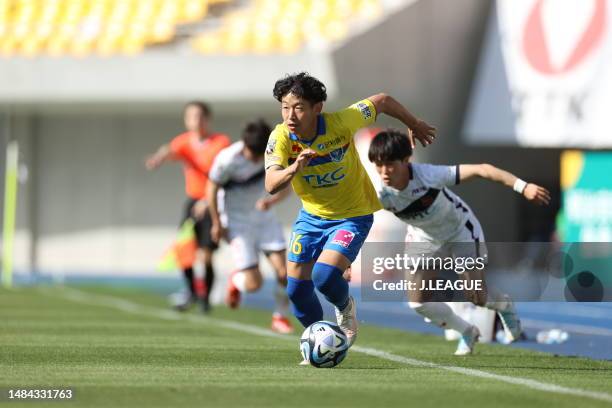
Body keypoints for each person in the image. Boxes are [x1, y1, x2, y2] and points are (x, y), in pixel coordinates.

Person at [264, 72, 436, 355]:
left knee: (323, 276)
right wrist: (294, 168)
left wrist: (414, 124)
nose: (290, 115)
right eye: (285, 106)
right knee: (296, 291)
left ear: (317, 108)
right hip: (311, 217)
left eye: (298, 107)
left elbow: (382, 100)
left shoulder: (342, 122)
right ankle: (319, 345)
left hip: (352, 215)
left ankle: (345, 308)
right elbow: (271, 184)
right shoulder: (280, 137)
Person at [367, 129, 551, 355]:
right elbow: (349, 216)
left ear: (406, 160)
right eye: (378, 164)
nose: (384, 172)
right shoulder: (376, 192)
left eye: (390, 164)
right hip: (424, 239)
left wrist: (523, 186)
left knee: (478, 298)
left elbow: (483, 169)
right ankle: (466, 331)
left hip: (460, 232)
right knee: (418, 304)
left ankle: (505, 306)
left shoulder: (430, 176)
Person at [204, 119, 294, 334]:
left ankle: (280, 316)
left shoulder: (274, 155)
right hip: (237, 223)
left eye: (258, 155)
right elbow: (211, 189)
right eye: (251, 154)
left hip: (264, 219)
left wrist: (270, 202)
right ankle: (236, 280)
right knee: (254, 284)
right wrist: (216, 222)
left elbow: (287, 184)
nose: (254, 159)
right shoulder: (227, 160)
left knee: (284, 273)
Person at [146, 101, 230, 312]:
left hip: (213, 200)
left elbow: (227, 175)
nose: (196, 120)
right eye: (191, 116)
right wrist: (158, 158)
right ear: (186, 120)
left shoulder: (220, 142)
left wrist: (207, 200)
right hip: (192, 202)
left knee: (207, 254)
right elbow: (170, 150)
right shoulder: (184, 142)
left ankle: (205, 300)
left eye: (200, 116)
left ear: (207, 119)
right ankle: (192, 292)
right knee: (184, 250)